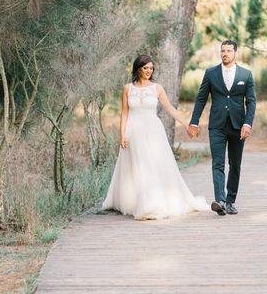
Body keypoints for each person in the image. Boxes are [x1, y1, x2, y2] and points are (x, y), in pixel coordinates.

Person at [102, 54, 209, 220]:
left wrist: (188, 124)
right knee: (137, 165)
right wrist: (122, 134)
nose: (148, 71)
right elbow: (124, 113)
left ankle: (151, 204)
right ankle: (136, 201)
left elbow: (170, 109)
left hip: (153, 131)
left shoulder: (157, 88)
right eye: (145, 68)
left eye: (151, 68)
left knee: (152, 165)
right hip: (133, 131)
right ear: (138, 69)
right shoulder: (127, 88)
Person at [188, 40, 256, 216]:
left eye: (228, 51)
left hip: (238, 126)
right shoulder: (211, 73)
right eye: (223, 51)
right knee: (217, 163)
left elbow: (251, 101)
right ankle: (220, 200)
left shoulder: (246, 75)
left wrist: (248, 123)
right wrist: (194, 122)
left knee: (235, 164)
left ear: (235, 53)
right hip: (216, 126)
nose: (225, 53)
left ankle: (231, 200)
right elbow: (201, 98)